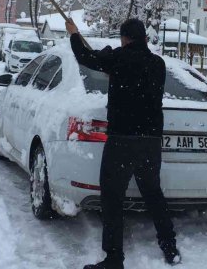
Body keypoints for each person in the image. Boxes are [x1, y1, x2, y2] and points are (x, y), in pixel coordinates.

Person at [66, 19, 180, 269]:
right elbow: (138, 78)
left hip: (122, 140)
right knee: (153, 194)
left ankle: (114, 258)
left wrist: (74, 35)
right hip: (150, 141)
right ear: (144, 39)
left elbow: (86, 58)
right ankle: (170, 248)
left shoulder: (118, 58)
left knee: (112, 198)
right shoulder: (157, 64)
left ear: (125, 38)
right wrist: (115, 69)